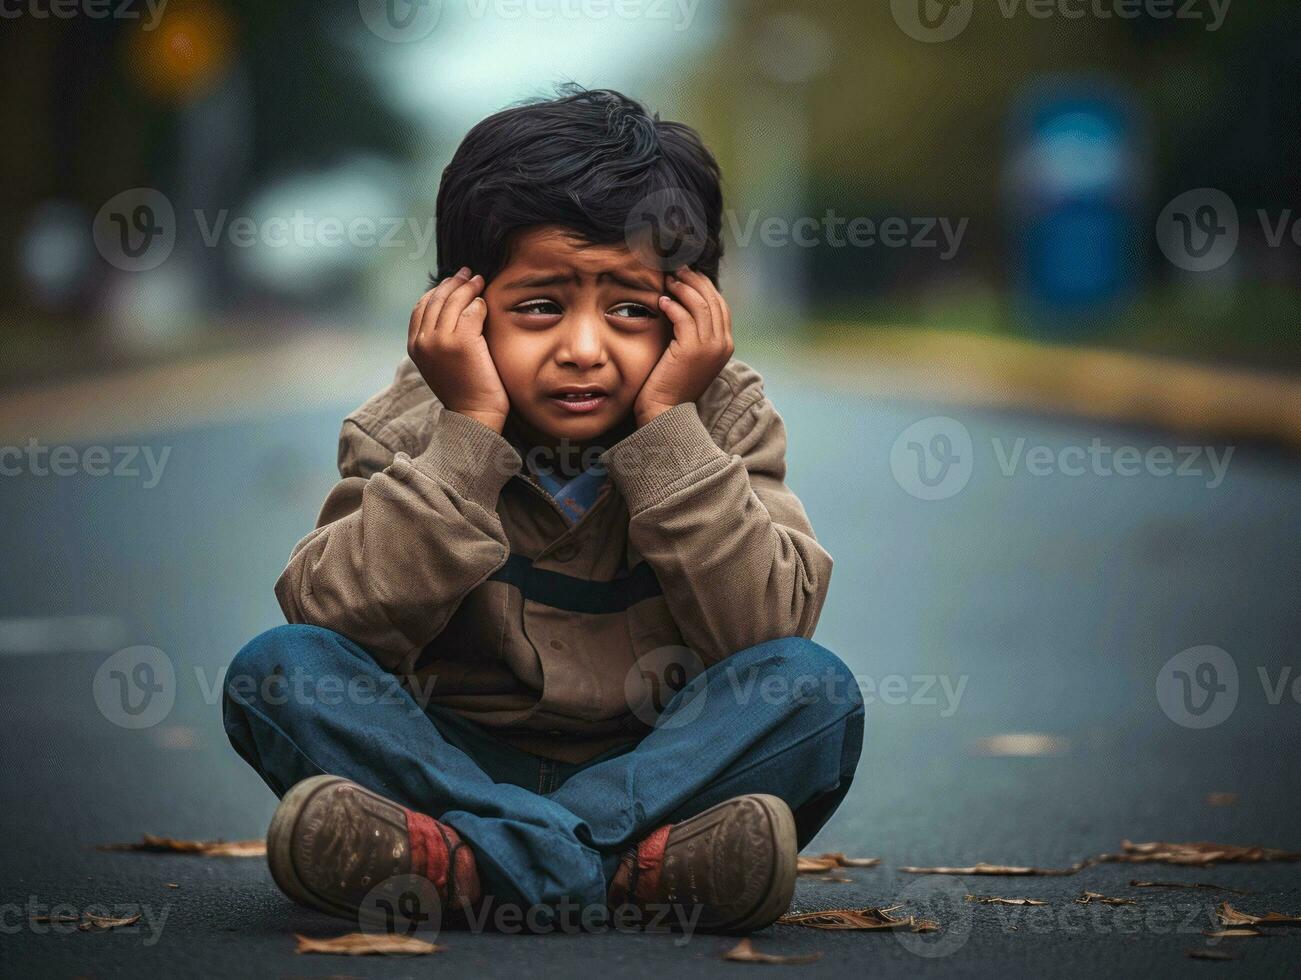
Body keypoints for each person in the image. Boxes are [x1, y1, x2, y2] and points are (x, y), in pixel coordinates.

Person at [222, 84, 863, 936]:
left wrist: (670, 433)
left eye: (631, 309)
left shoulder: (721, 418)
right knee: (278, 669)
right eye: (539, 307)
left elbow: (765, 633)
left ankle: (455, 863)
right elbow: (337, 620)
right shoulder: (414, 421)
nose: (584, 349)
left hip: (661, 767)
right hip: (445, 760)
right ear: (463, 307)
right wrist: (467, 437)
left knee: (814, 692)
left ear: (690, 314)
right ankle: (629, 874)